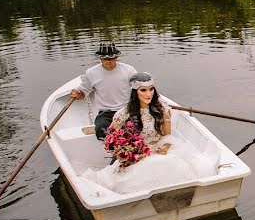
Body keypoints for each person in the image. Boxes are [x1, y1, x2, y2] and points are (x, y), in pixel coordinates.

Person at [81, 73, 216, 195]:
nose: (148, 94)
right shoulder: (124, 112)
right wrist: (126, 150)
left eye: (151, 89)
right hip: (137, 153)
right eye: (143, 90)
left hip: (158, 149)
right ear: (135, 92)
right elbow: (111, 137)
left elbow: (167, 136)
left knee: (172, 166)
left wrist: (166, 146)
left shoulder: (163, 109)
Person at [71, 42, 137, 140]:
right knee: (101, 129)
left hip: (126, 110)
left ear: (116, 57)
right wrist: (78, 94)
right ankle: (110, 149)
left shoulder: (129, 70)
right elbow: (83, 92)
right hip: (105, 112)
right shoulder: (91, 73)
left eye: (111, 58)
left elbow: (139, 88)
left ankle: (127, 149)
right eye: (105, 59)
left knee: (132, 130)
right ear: (100, 58)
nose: (108, 61)